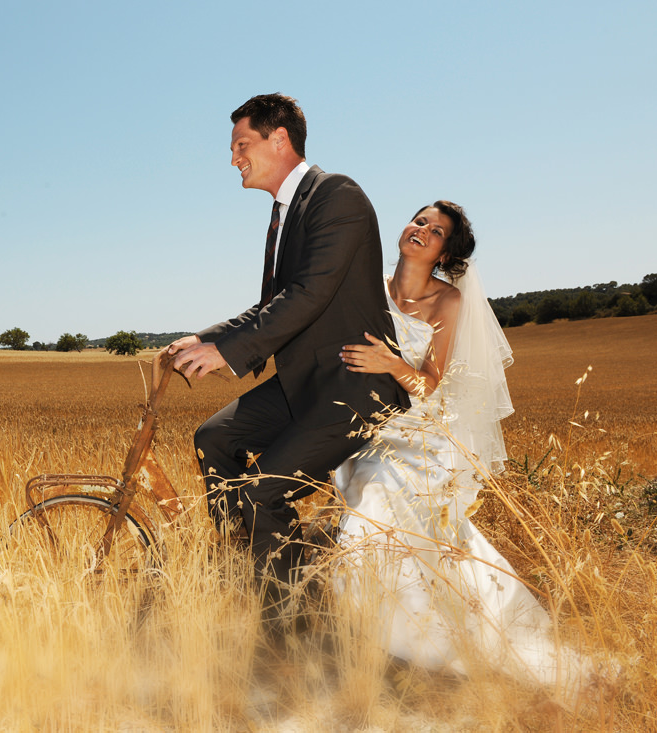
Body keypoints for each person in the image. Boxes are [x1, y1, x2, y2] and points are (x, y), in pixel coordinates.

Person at [333, 201, 600, 700]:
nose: (422, 231)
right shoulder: (368, 283)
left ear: (443, 252)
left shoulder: (447, 302)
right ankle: (392, 645)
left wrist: (391, 363)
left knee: (371, 515)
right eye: (419, 221)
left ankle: (418, 651)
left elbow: (431, 384)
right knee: (415, 543)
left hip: (419, 437)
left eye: (435, 232)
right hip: (366, 427)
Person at [168, 94, 409, 588]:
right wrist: (204, 336)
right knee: (214, 437)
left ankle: (286, 616)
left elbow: (308, 294)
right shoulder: (284, 213)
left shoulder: (336, 195)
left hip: (351, 386)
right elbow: (272, 303)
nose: (233, 158)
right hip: (303, 382)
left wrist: (224, 353)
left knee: (260, 494)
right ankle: (248, 565)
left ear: (278, 139)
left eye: (241, 144)